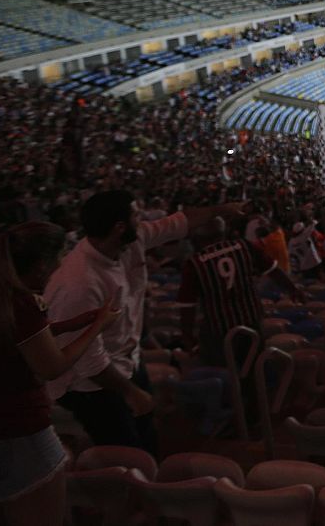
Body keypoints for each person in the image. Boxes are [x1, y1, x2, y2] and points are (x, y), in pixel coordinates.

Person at [46, 191, 239, 453]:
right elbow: (88, 360)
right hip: (91, 385)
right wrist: (130, 392)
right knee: (126, 452)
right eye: (136, 215)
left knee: (147, 435)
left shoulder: (130, 241)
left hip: (127, 362)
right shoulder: (79, 283)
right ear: (119, 228)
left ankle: (148, 477)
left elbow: (178, 222)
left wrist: (223, 208)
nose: (143, 219)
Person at [0, 223, 118, 525]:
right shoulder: (20, 302)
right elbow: (51, 367)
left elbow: (4, 341)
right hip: (20, 436)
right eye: (60, 258)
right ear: (42, 264)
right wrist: (97, 327)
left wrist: (70, 325)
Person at [178, 212, 302, 367]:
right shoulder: (244, 246)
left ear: (198, 238)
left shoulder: (194, 264)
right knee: (253, 369)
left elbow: (187, 307)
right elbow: (273, 270)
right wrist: (293, 290)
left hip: (219, 329)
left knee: (226, 374)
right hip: (250, 320)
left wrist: (188, 338)